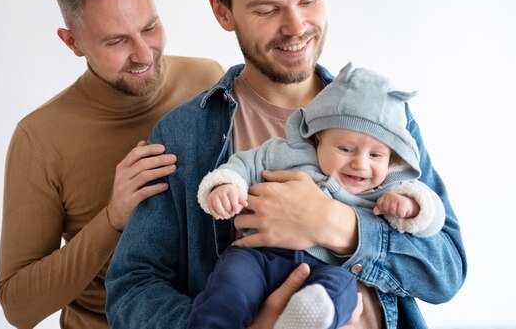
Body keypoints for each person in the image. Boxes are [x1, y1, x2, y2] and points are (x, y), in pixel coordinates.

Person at [106, 0, 467, 328]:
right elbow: (132, 288)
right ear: (223, 12)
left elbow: (447, 270)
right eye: (267, 10)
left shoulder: (381, 117)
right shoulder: (185, 136)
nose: (296, 27)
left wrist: (338, 225)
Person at [0, 0, 225, 329]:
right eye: (116, 41)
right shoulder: (39, 139)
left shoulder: (208, 81)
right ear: (72, 42)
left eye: (149, 27)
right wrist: (112, 218)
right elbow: (19, 307)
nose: (143, 54)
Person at [189, 62, 446, 329]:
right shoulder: (287, 153)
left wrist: (412, 207)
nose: (361, 164)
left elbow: (435, 222)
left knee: (342, 289)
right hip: (258, 256)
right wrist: (226, 186)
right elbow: (243, 165)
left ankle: (306, 318)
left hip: (325, 269)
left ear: (391, 160)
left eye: (375, 155)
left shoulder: (386, 188)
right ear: (318, 138)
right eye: (346, 149)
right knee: (229, 285)